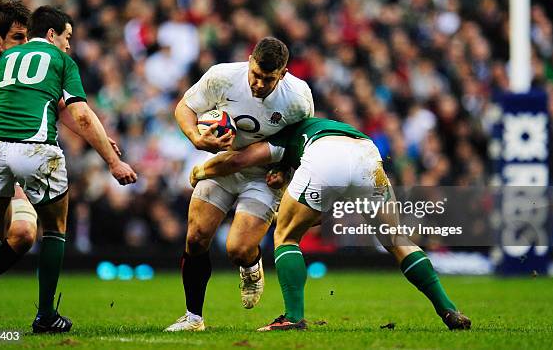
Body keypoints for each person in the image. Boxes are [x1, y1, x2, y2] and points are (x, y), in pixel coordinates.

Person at [189, 117, 472, 331]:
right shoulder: (319, 126)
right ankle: (448, 309)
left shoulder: (281, 136)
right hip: (365, 153)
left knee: (285, 236)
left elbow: (240, 160)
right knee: (397, 240)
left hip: (327, 155)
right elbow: (322, 206)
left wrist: (201, 170)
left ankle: (293, 318)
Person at [0, 6, 137, 332]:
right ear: (53, 34)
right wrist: (113, 161)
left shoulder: (0, 60)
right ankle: (45, 315)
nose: (69, 45)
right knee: (55, 227)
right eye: (67, 37)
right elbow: (80, 113)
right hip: (29, 149)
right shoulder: (60, 60)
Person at [166, 37, 314, 331]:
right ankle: (193, 317)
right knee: (196, 237)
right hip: (223, 165)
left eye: (268, 79)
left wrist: (284, 171)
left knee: (238, 248)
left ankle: (251, 265)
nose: (258, 84)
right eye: (256, 75)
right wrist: (197, 139)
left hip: (262, 175)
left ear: (282, 74)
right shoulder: (222, 76)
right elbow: (184, 108)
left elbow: (300, 143)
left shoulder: (298, 99)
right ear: (249, 60)